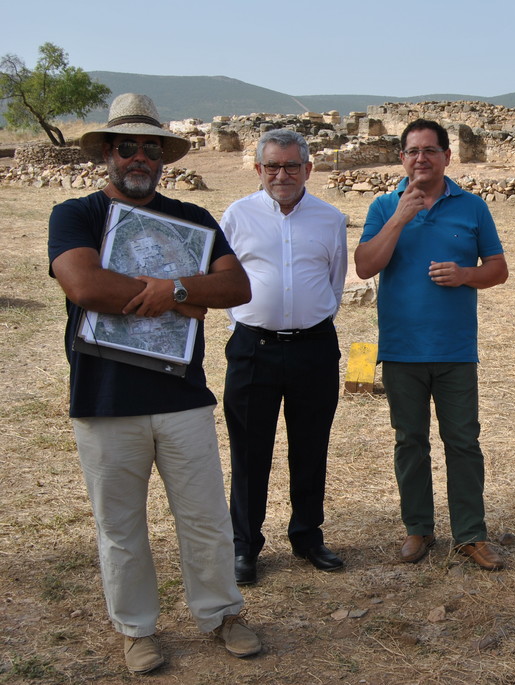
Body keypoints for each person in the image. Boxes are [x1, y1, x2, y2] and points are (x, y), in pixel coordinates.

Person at [47, 93, 260, 674]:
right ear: (108, 154)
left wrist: (180, 292)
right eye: (126, 147)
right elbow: (85, 285)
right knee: (120, 528)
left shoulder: (193, 220)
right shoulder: (76, 215)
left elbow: (237, 287)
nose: (138, 157)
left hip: (182, 397)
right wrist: (175, 294)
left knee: (206, 518)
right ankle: (137, 629)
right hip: (105, 400)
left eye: (149, 147)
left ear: (162, 156)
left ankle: (221, 614)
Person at [353, 118, 509, 570]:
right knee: (410, 442)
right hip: (401, 349)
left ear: (446, 156)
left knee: (463, 442)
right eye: (412, 151)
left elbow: (498, 269)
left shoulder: (473, 207)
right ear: (401, 158)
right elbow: (365, 266)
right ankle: (418, 528)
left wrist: (465, 275)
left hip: (456, 350)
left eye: (430, 150)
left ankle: (470, 534)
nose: (420, 158)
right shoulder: (384, 206)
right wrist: (400, 218)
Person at [221, 129, 348, 585]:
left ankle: (307, 536)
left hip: (314, 348)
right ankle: (245, 547)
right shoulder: (236, 216)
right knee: (250, 451)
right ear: (257, 169)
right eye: (272, 165)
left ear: (308, 169)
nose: (282, 174)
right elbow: (222, 277)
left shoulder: (330, 219)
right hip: (253, 349)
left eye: (292, 165)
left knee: (311, 447)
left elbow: (334, 283)